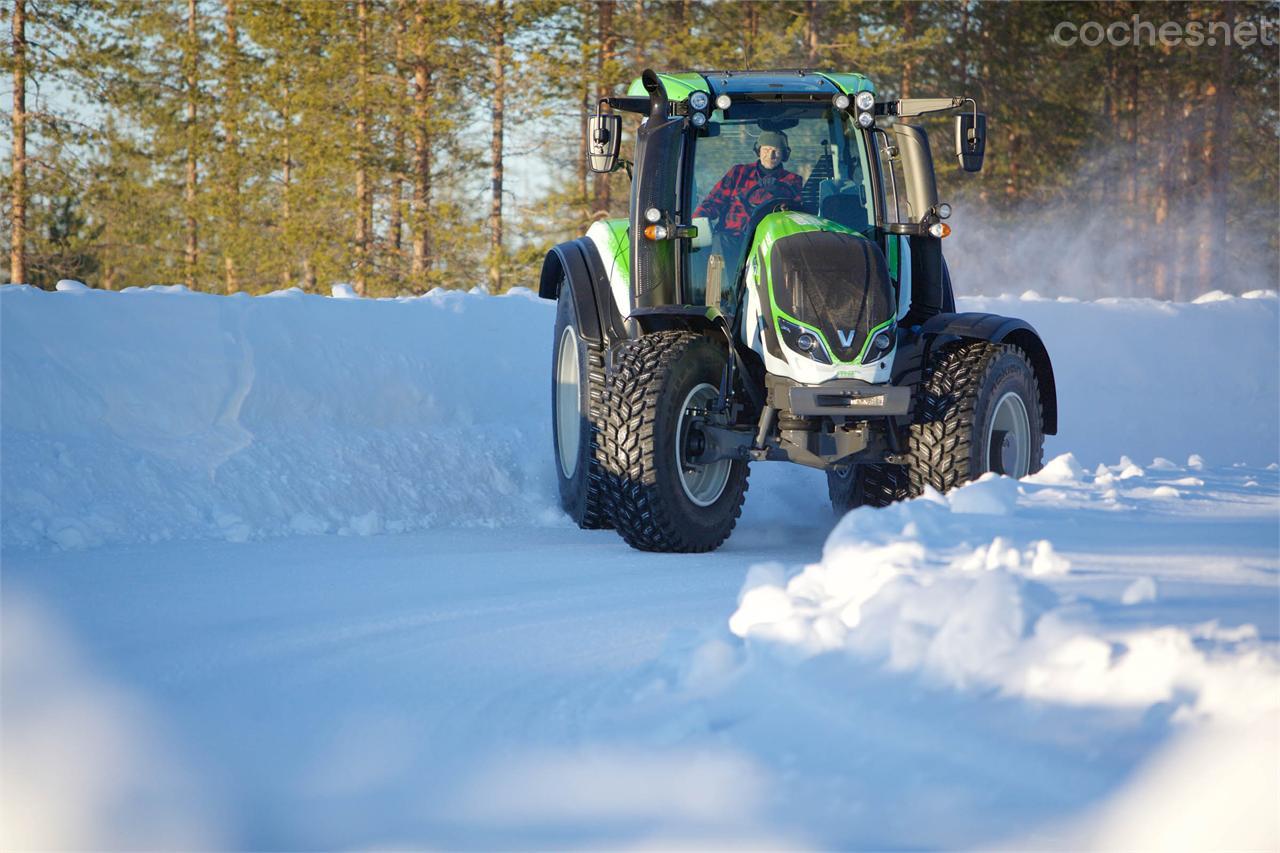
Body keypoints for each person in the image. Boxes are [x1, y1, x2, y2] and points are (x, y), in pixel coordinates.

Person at [694, 130, 804, 255]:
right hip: (732, 238)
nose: (771, 155)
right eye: (766, 149)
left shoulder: (792, 180)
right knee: (718, 243)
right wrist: (698, 221)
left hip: (770, 240)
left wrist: (777, 192)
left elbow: (796, 212)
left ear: (784, 154)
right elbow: (714, 201)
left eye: (776, 150)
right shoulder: (739, 173)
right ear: (758, 151)